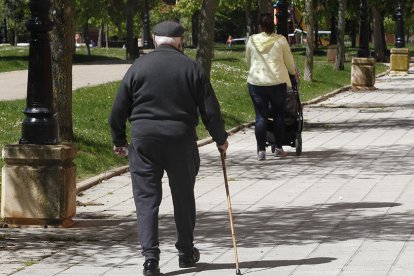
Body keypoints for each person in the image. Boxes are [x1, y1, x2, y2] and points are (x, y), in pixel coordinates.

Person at [109, 21, 228, 276]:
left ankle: (150, 259)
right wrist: (220, 138)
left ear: (154, 40)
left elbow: (118, 110)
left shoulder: (137, 67)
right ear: (181, 41)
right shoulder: (191, 67)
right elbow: (210, 109)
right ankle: (185, 251)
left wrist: (119, 140)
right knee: (183, 196)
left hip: (144, 142)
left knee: (146, 200)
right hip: (180, 140)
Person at [245, 13, 297, 161]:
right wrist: (293, 73)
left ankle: (261, 151)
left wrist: (253, 70)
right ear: (273, 26)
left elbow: (248, 61)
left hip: (256, 82)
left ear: (260, 26)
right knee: (278, 115)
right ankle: (278, 148)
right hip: (277, 82)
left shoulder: (252, 40)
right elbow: (289, 62)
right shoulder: (281, 41)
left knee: (260, 116)